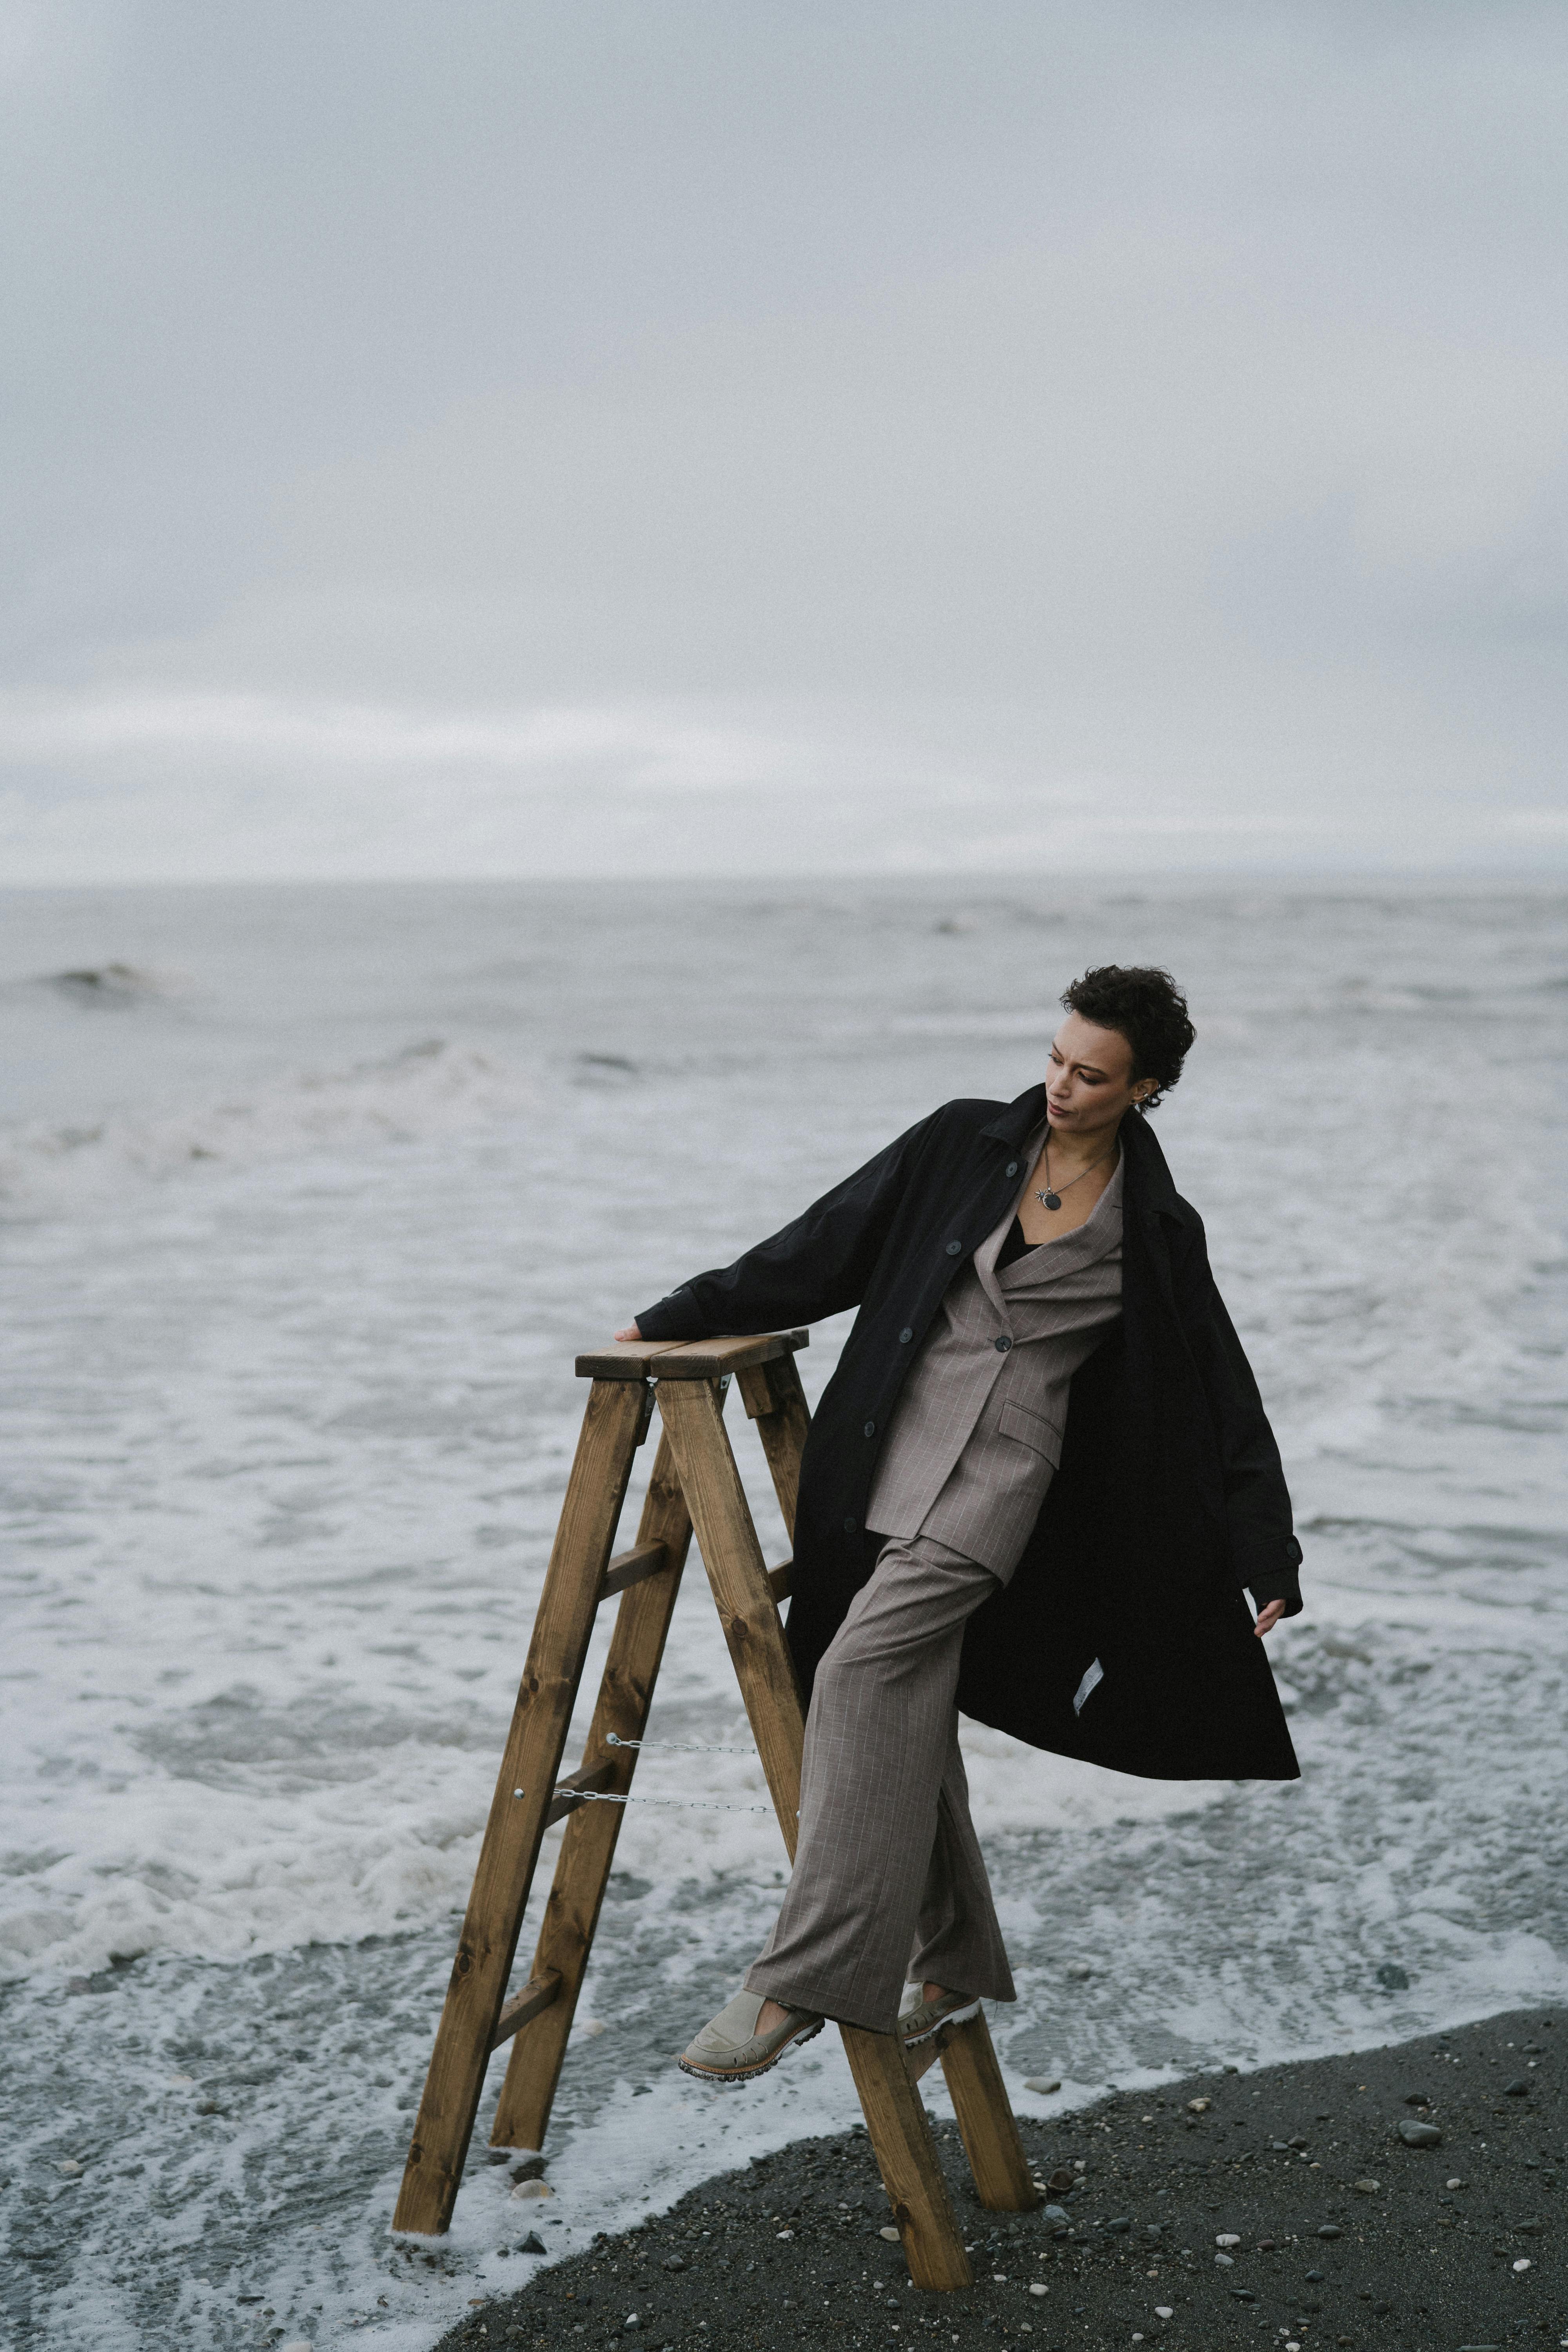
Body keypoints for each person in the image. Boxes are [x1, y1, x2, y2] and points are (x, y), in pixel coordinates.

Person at [614, 965, 1303, 2085]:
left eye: (1092, 1076)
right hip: (882, 1455)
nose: (1062, 1087)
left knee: (861, 1674)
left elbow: (1219, 1386)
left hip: (1002, 1482)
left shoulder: (1160, 1228)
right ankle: (958, 1961)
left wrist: (1263, 1545)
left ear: (1147, 1090)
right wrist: (677, 1316)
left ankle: (803, 1981)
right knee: (910, 1714)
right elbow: (825, 1243)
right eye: (1056, 1059)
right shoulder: (959, 1144)